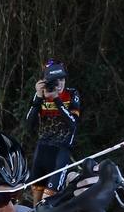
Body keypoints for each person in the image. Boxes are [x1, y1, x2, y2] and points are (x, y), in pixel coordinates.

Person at [24, 60, 82, 203]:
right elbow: (28, 123)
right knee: (36, 203)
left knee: (49, 200)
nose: (60, 84)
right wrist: (38, 96)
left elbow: (73, 123)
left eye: (62, 79)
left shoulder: (72, 93)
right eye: (55, 81)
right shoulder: (41, 94)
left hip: (61, 149)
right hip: (42, 148)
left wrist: (56, 100)